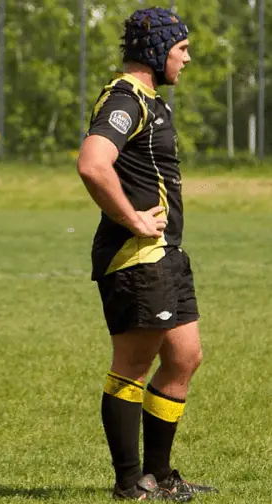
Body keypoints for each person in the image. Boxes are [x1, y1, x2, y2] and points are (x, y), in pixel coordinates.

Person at [76, 7, 218, 501]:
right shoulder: (125, 98)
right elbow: (93, 164)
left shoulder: (153, 100)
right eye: (181, 49)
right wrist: (133, 219)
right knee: (132, 366)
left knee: (184, 358)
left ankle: (159, 476)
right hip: (136, 255)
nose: (188, 58)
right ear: (157, 52)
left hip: (167, 255)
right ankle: (128, 483)